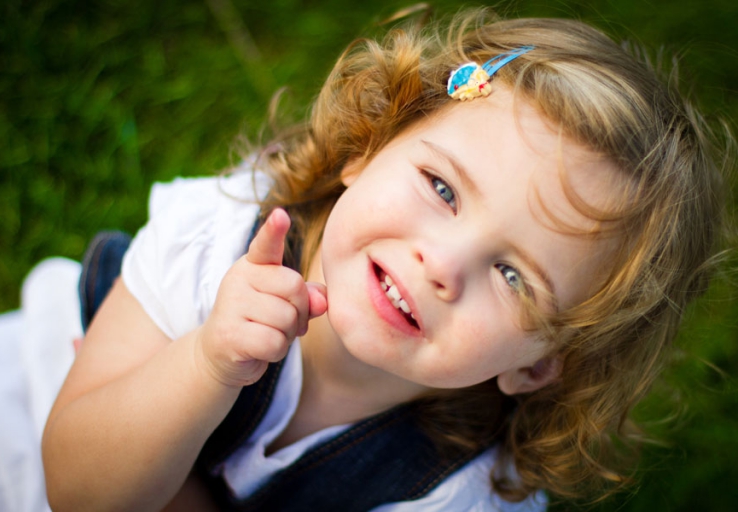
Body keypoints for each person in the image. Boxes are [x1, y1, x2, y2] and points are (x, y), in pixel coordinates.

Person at [41, 6, 727, 511]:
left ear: (542, 363)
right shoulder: (216, 238)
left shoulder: (457, 496)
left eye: (513, 275)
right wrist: (203, 363)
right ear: (367, 150)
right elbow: (78, 493)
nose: (441, 264)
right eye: (442, 188)